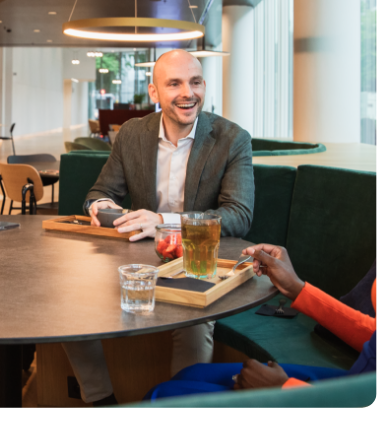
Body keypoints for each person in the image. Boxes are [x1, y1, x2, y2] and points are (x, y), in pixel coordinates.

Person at [64, 49, 255, 406]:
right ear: (154, 93)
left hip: (199, 260)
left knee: (196, 323)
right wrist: (100, 206)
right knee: (71, 304)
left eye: (195, 82)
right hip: (136, 257)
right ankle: (100, 398)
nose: (189, 92)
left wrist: (162, 222)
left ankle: (181, 402)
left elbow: (238, 214)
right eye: (175, 83)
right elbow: (101, 191)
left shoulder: (232, 138)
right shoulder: (133, 134)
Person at [144, 244, 377, 399]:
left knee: (163, 395)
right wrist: (296, 288)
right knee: (191, 374)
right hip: (360, 378)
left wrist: (286, 391)